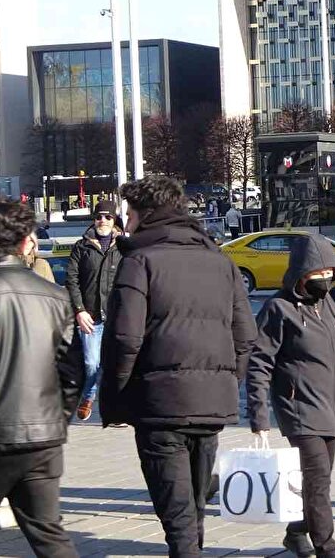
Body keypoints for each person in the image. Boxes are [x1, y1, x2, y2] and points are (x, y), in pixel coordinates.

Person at [99, 176, 256, 557]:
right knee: (194, 505)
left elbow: (124, 338)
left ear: (146, 216)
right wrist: (226, 381)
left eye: (131, 215)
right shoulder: (219, 260)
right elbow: (246, 335)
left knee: (177, 511)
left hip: (159, 405)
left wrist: (117, 397)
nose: (127, 224)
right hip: (210, 404)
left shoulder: (139, 260)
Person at [0, 199, 83, 557]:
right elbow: (73, 372)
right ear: (27, 243)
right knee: (50, 537)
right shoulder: (56, 297)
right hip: (43, 436)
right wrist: (59, 420)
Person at [247, 234, 335, 558]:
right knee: (318, 483)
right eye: (318, 273)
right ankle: (328, 549)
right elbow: (259, 363)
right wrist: (259, 416)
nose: (325, 279)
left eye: (330, 273)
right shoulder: (279, 309)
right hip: (300, 409)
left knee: (318, 481)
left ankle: (296, 531)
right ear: (301, 272)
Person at [65, 199, 123, 422]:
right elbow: (72, 279)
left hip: (116, 317)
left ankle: (116, 408)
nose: (103, 221)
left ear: (114, 220)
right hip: (91, 317)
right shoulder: (83, 246)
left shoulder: (123, 246)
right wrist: (79, 310)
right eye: (99, 216)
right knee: (91, 362)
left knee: (115, 365)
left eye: (108, 217)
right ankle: (88, 396)